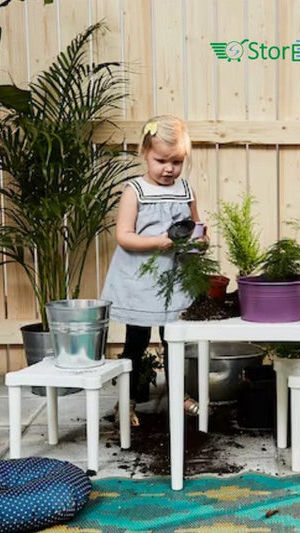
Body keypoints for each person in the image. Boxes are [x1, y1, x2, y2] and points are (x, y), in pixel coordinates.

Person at [101, 115, 206, 425]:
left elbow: (196, 226)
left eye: (176, 162)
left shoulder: (185, 190)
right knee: (136, 341)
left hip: (175, 278)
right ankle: (126, 401)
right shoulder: (135, 191)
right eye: (161, 160)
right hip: (142, 280)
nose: (168, 169)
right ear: (145, 152)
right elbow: (124, 236)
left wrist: (201, 241)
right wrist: (157, 242)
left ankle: (179, 394)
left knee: (175, 339)